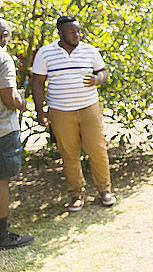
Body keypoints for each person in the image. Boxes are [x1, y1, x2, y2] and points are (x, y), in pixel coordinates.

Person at [32, 16, 115, 212]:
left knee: (97, 150)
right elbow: (37, 83)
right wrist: (40, 110)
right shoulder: (45, 53)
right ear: (60, 33)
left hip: (89, 108)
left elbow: (103, 72)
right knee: (69, 154)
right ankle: (76, 194)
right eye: (72, 32)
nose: (77, 35)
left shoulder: (89, 50)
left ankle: (104, 191)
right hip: (60, 111)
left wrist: (97, 78)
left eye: (78, 31)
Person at [0, 18, 34, 249]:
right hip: (2, 131)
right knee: (2, 181)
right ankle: (2, 236)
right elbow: (9, 99)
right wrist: (22, 102)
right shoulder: (3, 59)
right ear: (3, 36)